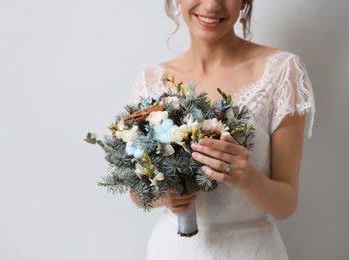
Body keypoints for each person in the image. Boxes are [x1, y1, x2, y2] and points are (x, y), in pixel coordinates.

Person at [130, 0, 315, 259]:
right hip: (173, 249)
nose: (211, 5)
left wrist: (247, 178)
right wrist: (165, 197)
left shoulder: (282, 72)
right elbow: (136, 192)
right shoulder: (150, 81)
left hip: (252, 249)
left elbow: (286, 205)